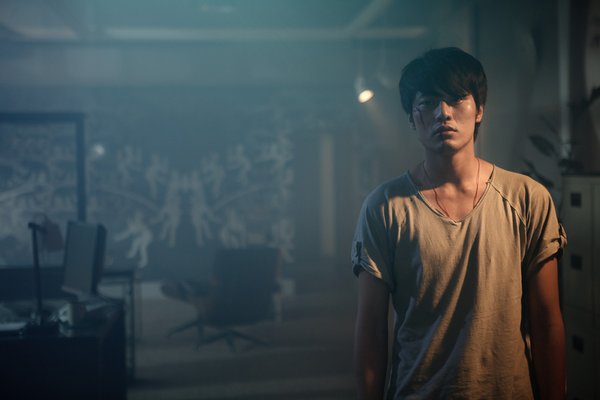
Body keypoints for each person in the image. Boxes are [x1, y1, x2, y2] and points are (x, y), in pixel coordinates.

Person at [352, 47, 566, 399]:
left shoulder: (527, 198)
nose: (443, 113)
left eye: (456, 99)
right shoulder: (384, 208)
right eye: (428, 102)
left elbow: (546, 318)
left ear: (479, 109)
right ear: (411, 118)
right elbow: (371, 327)